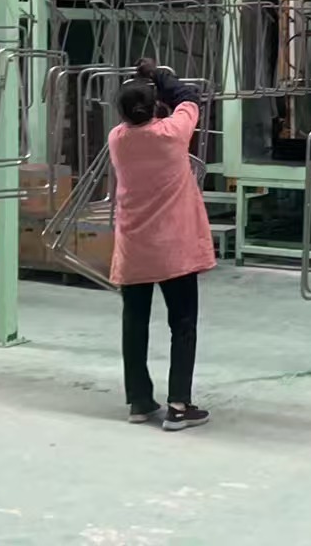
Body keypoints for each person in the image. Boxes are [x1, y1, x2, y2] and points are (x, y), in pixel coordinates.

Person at [109, 58, 215, 431]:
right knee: (182, 324)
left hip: (135, 248)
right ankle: (179, 406)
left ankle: (139, 401)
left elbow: (144, 114)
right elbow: (189, 96)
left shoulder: (118, 139)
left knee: (134, 323)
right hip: (174, 250)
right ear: (156, 107)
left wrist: (144, 88)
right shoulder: (172, 133)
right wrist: (159, 75)